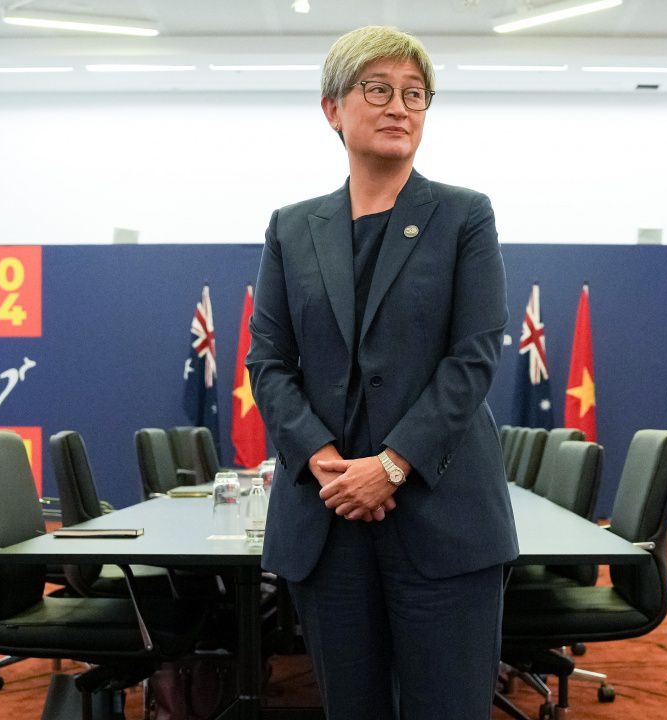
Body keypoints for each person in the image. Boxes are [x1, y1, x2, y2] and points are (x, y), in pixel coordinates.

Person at [246, 25, 518, 719]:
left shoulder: (464, 215)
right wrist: (325, 462)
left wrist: (393, 465)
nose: (400, 106)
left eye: (415, 93)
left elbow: (474, 353)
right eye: (377, 89)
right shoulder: (291, 228)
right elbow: (269, 362)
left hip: (442, 515)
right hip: (329, 515)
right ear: (331, 109)